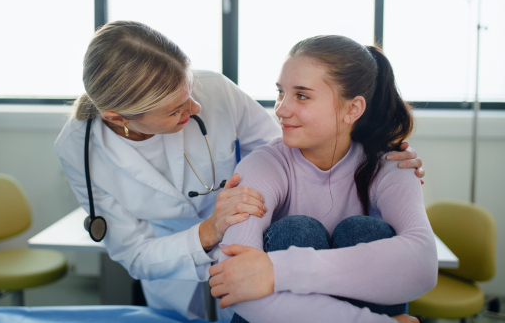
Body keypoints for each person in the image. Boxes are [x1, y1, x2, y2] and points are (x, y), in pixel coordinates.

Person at [54, 22, 425, 321]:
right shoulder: (81, 151)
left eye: (189, 90)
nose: (197, 105)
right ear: (118, 119)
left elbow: (286, 153)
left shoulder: (217, 92)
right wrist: (210, 230)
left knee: (357, 231)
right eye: (175, 109)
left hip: (260, 243)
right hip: (180, 264)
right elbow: (134, 252)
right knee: (293, 233)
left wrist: (378, 150)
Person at [209, 35, 437, 323]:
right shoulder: (264, 165)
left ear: (352, 109)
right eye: (281, 92)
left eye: (302, 95)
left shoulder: (390, 165)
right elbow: (234, 279)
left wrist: (278, 270)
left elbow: (424, 264)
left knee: (363, 232)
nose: (280, 109)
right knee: (297, 231)